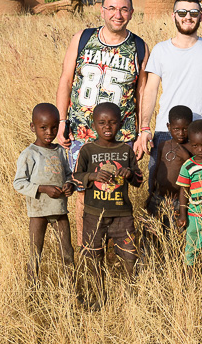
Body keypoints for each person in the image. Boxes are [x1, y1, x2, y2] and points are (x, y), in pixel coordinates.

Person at [56, 0, 148, 247]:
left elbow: (141, 92)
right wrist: (62, 121)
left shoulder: (138, 46)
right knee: (84, 193)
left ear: (130, 12)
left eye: (123, 9)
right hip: (82, 133)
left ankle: (118, 250)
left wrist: (142, 131)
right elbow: (66, 78)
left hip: (122, 134)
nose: (117, 14)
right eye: (111, 8)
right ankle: (88, 250)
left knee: (118, 189)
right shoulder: (83, 38)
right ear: (102, 10)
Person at [137, 0, 202, 192]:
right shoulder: (161, 50)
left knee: (200, 190)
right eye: (182, 12)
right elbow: (151, 90)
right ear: (173, 16)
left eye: (194, 12)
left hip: (200, 133)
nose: (188, 17)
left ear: (201, 16)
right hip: (166, 131)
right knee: (161, 189)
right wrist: (144, 128)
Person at [71, 103, 143, 309]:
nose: (107, 127)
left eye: (112, 122)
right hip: (94, 215)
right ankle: (99, 296)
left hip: (122, 215)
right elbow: (75, 178)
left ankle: (131, 294)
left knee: (130, 255)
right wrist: (92, 176)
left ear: (120, 124)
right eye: (102, 123)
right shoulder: (87, 150)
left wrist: (129, 174)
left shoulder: (125, 150)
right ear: (94, 125)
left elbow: (139, 179)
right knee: (94, 257)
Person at [13, 103, 75, 284]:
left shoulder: (60, 152)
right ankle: (32, 291)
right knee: (35, 253)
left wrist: (69, 184)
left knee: (67, 252)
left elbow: (68, 174)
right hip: (38, 212)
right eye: (43, 128)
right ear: (33, 127)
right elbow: (19, 183)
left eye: (54, 127)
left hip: (59, 210)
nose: (49, 132)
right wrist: (42, 188)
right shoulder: (29, 154)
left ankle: (70, 290)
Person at [142, 105, 193, 259]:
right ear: (168, 127)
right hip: (159, 197)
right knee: (151, 231)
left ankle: (172, 263)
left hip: (179, 200)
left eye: (185, 129)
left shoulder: (191, 148)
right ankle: (147, 262)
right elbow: (157, 168)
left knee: (175, 234)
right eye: (176, 129)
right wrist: (151, 193)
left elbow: (194, 170)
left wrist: (185, 156)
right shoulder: (164, 145)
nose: (181, 133)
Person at [175, 119, 202, 266]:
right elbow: (184, 190)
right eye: (195, 146)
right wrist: (182, 213)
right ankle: (190, 269)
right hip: (194, 214)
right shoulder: (188, 166)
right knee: (192, 242)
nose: (200, 149)